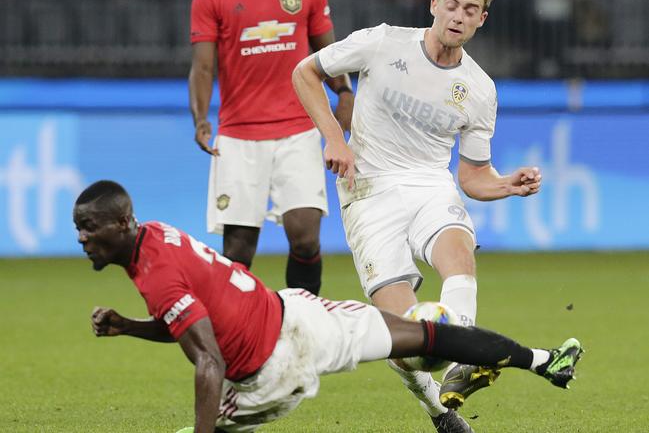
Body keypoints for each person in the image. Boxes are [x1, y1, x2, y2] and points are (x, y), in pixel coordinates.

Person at [75, 180, 583, 433]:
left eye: (90, 229)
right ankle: (544, 361)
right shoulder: (159, 234)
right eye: (79, 229)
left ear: (121, 225)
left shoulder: (157, 275)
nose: (82, 239)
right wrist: (128, 326)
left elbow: (207, 357)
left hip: (266, 372)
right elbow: (183, 321)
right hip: (302, 317)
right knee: (425, 337)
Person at [292, 0, 544, 422]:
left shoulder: (480, 89)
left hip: (431, 185)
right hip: (368, 194)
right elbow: (305, 72)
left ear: (481, 19)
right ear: (433, 4)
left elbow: (472, 177)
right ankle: (440, 413)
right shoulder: (382, 43)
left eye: (470, 10)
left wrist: (506, 184)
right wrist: (334, 138)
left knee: (459, 254)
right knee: (405, 342)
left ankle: (465, 363)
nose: (458, 16)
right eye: (452, 4)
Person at [188, 0, 354, 296]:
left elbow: (328, 53)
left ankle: (303, 325)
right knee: (237, 251)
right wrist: (201, 119)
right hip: (239, 136)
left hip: (298, 130)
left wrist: (345, 93)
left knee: (305, 238)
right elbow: (203, 66)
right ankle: (236, 335)